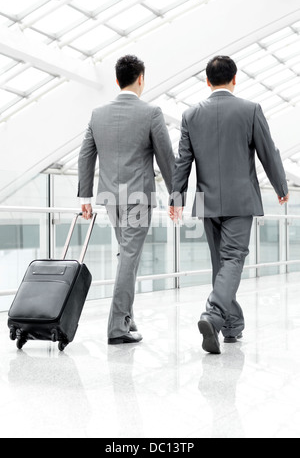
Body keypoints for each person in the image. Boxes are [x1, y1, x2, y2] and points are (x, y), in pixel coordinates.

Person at [169, 56, 289, 355]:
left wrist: (176, 198)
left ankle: (231, 326)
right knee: (233, 260)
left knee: (221, 264)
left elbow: (183, 160)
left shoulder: (191, 115)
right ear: (234, 78)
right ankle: (212, 314)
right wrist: (280, 187)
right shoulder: (250, 110)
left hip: (207, 201)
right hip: (240, 200)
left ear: (207, 81)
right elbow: (268, 152)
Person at [78, 55, 174, 345]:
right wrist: (176, 195)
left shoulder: (98, 114)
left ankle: (127, 320)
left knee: (126, 256)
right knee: (129, 258)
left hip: (110, 197)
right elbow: (166, 158)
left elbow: (85, 155)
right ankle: (117, 328)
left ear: (117, 80)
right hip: (138, 197)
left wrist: (85, 195)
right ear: (140, 79)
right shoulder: (151, 113)